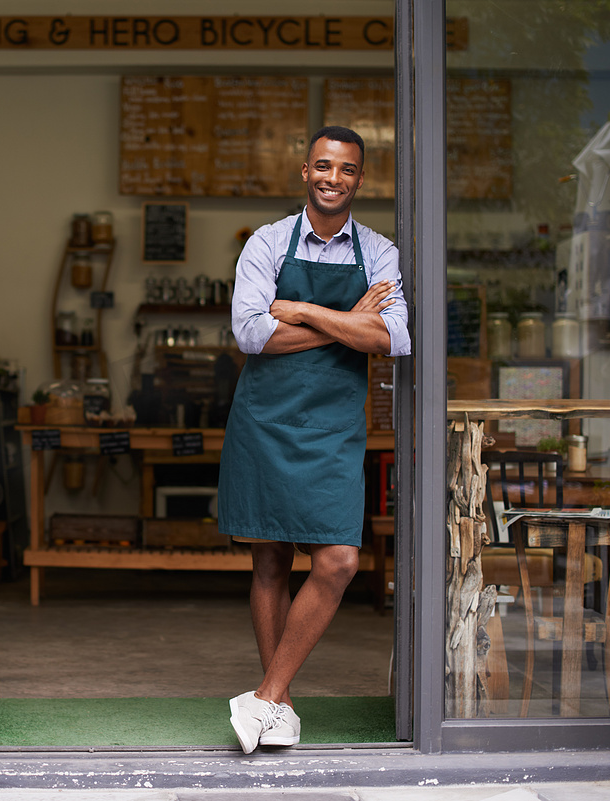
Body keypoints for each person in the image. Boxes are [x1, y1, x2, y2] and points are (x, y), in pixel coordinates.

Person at [217, 126, 411, 753]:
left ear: (360, 179)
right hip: (266, 420)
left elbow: (392, 339)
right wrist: (348, 319)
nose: (334, 178)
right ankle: (282, 704)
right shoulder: (267, 243)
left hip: (332, 428)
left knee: (338, 560)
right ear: (305, 172)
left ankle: (266, 697)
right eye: (323, 166)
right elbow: (250, 334)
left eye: (347, 169)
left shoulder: (381, 251)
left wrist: (299, 310)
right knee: (270, 559)